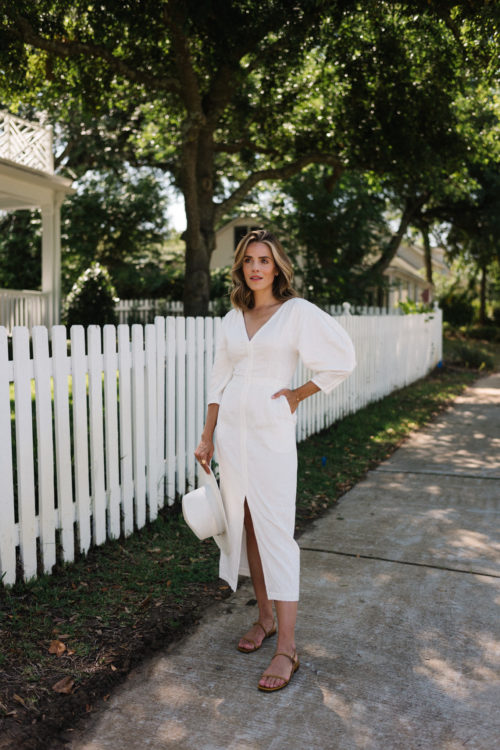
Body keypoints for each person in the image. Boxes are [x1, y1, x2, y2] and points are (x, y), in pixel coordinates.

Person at [194, 229, 356, 692]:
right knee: (244, 525)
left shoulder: (296, 312)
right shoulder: (232, 318)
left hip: (270, 436)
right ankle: (263, 619)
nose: (257, 267)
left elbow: (341, 360)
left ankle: (287, 647)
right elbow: (217, 383)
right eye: (249, 260)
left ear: (277, 266)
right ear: (242, 267)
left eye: (265, 259)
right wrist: (206, 438)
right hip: (231, 438)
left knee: (276, 533)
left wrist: (297, 395)